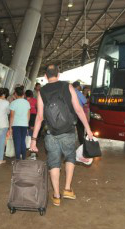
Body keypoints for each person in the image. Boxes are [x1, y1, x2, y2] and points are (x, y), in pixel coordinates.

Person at [30, 65, 93, 207]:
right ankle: (67, 189)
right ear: (58, 74)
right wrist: (88, 129)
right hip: (68, 131)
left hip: (50, 133)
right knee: (70, 157)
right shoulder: (68, 86)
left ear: (45, 76)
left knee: (53, 162)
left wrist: (33, 140)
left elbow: (39, 117)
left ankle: (56, 196)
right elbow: (78, 109)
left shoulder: (42, 91)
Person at [9, 87, 30, 160]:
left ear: (16, 94)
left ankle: (17, 159)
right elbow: (28, 115)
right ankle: (23, 158)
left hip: (16, 125)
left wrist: (10, 128)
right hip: (24, 125)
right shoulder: (27, 102)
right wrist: (27, 124)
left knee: (17, 142)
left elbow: (11, 116)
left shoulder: (13, 103)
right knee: (22, 141)